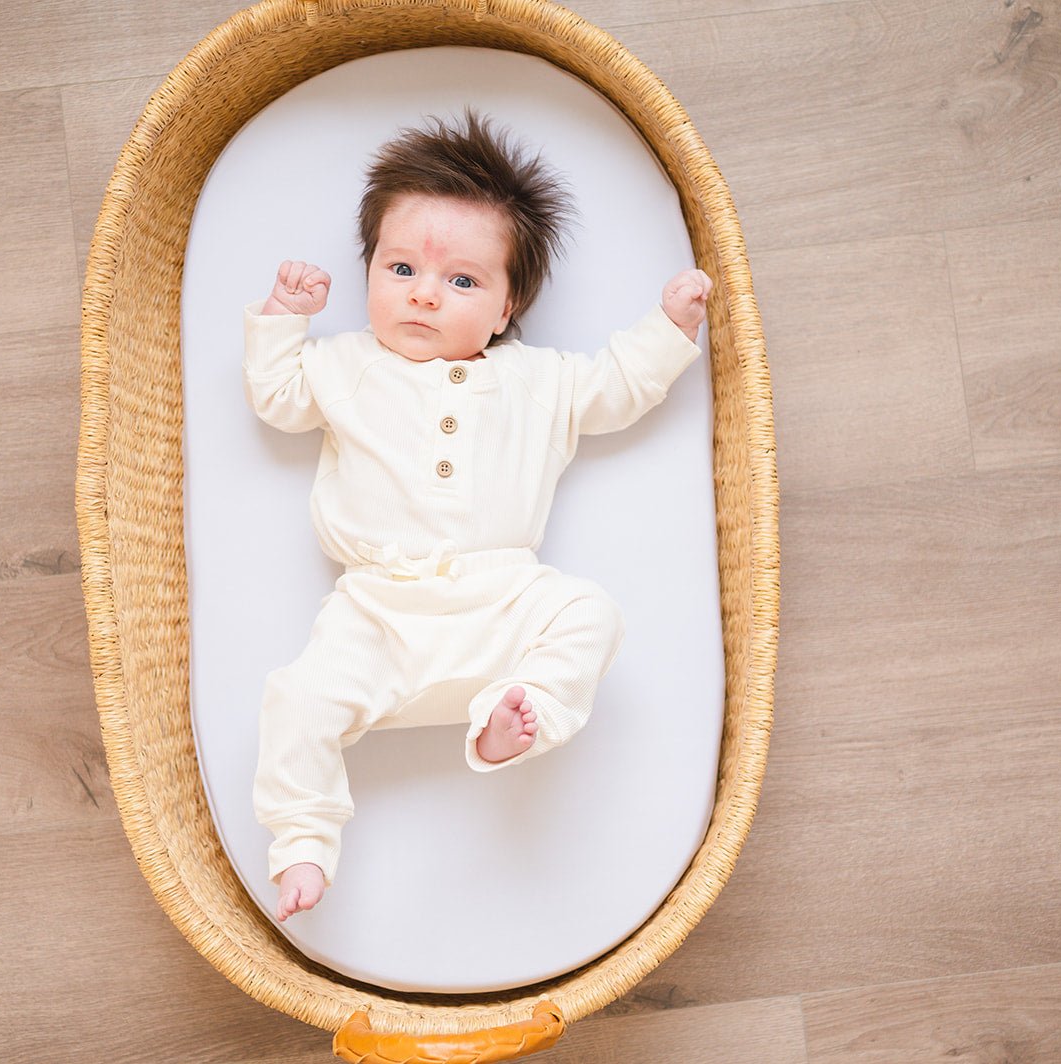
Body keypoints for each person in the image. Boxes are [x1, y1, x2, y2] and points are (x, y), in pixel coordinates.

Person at [243, 109, 712, 922]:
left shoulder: (538, 381)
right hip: (378, 609)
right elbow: (277, 400)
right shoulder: (345, 364)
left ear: (505, 309)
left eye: (462, 281)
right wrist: (284, 319)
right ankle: (304, 847)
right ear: (369, 272)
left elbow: (616, 387)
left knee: (589, 613)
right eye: (400, 269)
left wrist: (668, 329)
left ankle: (515, 714)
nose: (424, 293)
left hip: (501, 600)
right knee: (297, 699)